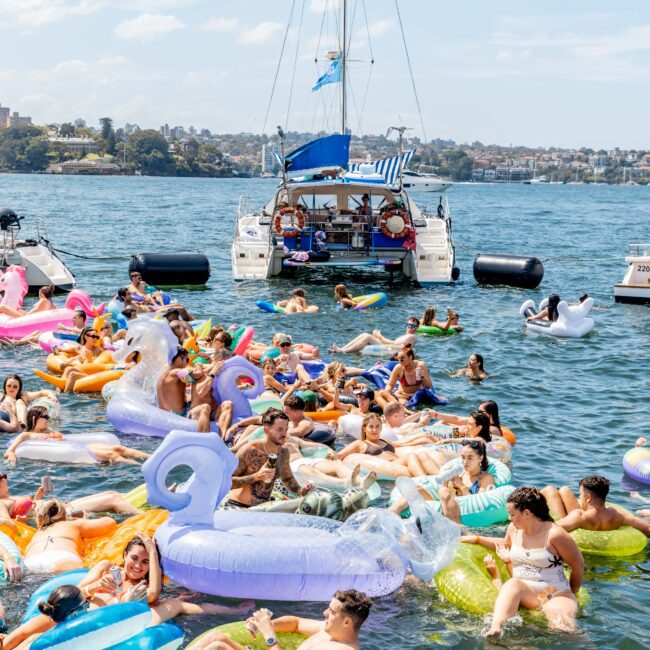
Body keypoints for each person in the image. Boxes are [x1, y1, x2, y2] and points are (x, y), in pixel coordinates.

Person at [461, 487, 584, 637]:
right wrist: (478, 539)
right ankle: (496, 628)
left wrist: (573, 592)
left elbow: (578, 566)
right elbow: (505, 546)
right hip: (527, 593)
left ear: (527, 513)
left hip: (556, 594)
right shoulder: (514, 529)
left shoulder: (555, 534)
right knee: (512, 584)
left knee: (564, 630)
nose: (509, 517)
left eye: (512, 514)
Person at [1, 579, 253, 650]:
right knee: (213, 639)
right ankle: (235, 612)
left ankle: (232, 610)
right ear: (80, 610)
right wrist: (128, 606)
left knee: (176, 607)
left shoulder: (42, 629)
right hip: (126, 626)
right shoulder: (45, 637)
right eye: (86, 605)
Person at [190, 589, 372, 650]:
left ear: (347, 621)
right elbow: (296, 622)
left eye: (331, 611)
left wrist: (269, 634)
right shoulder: (329, 630)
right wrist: (267, 625)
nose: (325, 613)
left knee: (217, 647)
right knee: (216, 637)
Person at [223, 408, 314, 509]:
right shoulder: (249, 450)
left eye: (286, 429)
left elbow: (287, 479)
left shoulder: (283, 452)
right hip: (238, 506)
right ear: (266, 430)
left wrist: (301, 490)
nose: (284, 434)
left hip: (263, 508)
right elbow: (227, 482)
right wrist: (256, 476)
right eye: (279, 429)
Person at [4, 405, 150, 466]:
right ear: (35, 418)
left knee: (119, 448)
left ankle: (151, 458)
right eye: (46, 417)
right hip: (77, 451)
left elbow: (65, 439)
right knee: (113, 455)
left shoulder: (48, 431)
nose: (49, 420)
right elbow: (9, 451)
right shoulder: (26, 436)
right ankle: (140, 468)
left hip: (79, 446)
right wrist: (11, 454)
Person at [390, 439, 495, 521]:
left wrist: (460, 485)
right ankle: (391, 513)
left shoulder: (486, 478)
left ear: (480, 458)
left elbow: (477, 505)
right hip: (444, 505)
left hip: (459, 513)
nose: (465, 461)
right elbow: (443, 491)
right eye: (463, 457)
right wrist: (446, 481)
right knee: (415, 489)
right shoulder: (461, 474)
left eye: (470, 458)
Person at [0, 472, 141, 528]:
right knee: (113, 499)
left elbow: (31, 509)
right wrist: (21, 523)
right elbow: (6, 522)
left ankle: (138, 501)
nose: (6, 479)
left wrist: (39, 496)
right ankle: (145, 516)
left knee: (110, 493)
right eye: (3, 477)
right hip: (62, 513)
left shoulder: (9, 497)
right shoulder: (2, 503)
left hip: (62, 506)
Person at [23, 499, 117, 573]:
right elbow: (110, 523)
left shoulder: (37, 534)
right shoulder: (72, 525)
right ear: (63, 516)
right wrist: (83, 521)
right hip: (61, 558)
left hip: (31, 562)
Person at [337, 413, 439, 478]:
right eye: (371, 427)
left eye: (377, 426)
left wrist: (424, 439)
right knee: (412, 456)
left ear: (381, 428)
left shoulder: (383, 440)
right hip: (392, 465)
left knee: (422, 455)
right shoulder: (360, 443)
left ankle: (443, 478)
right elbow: (339, 455)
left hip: (400, 461)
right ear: (364, 428)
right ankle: (425, 482)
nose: (374, 430)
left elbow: (401, 444)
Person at [542, 475, 650, 537]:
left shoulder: (579, 516)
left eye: (580, 494)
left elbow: (547, 532)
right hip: (599, 525)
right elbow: (647, 528)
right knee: (564, 490)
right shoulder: (618, 515)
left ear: (588, 497)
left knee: (549, 490)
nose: (580, 497)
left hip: (578, 534)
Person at [156, 347, 211, 432]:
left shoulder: (164, 371)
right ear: (178, 359)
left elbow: (188, 380)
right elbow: (197, 375)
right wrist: (199, 366)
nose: (187, 363)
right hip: (178, 415)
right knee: (204, 404)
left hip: (165, 413)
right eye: (187, 360)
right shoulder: (176, 372)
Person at [330, 316, 420, 354]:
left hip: (392, 350)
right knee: (364, 334)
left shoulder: (412, 337)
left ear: (417, 328)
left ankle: (343, 351)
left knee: (368, 337)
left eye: (412, 325)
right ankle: (342, 348)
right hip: (390, 347)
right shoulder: (406, 335)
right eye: (408, 325)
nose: (409, 327)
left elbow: (396, 344)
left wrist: (380, 336)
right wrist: (378, 337)